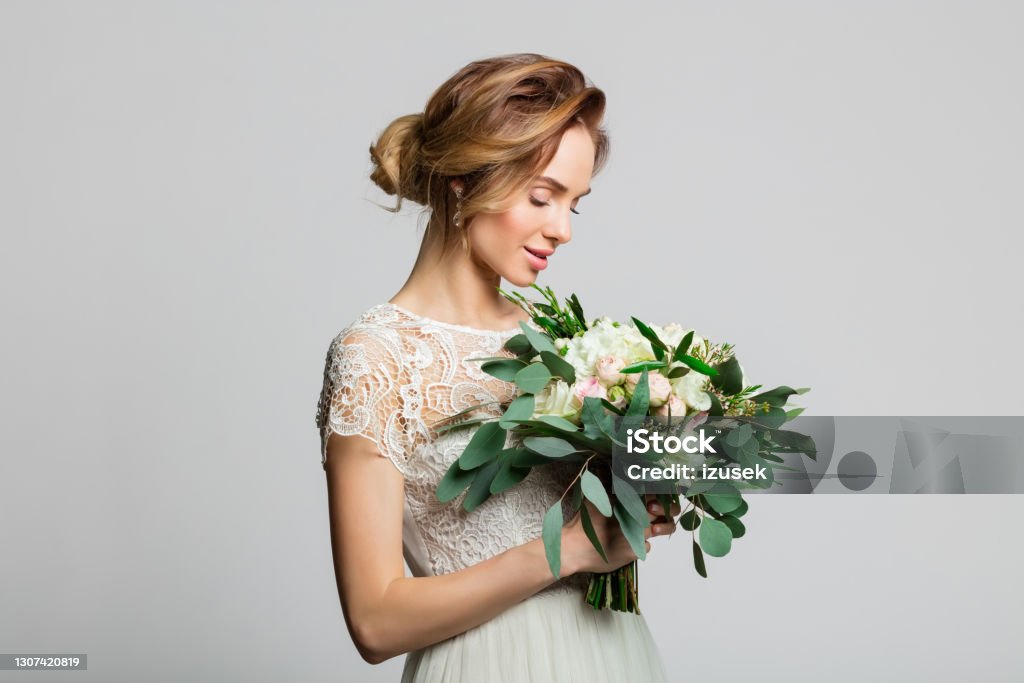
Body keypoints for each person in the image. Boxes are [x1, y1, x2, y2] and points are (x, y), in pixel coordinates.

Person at [315, 53, 677, 683]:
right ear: (464, 179)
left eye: (575, 204)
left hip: (610, 656)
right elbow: (375, 623)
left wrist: (651, 478)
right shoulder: (375, 358)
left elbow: (604, 511)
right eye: (543, 197)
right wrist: (568, 549)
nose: (562, 229)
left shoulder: (561, 346)